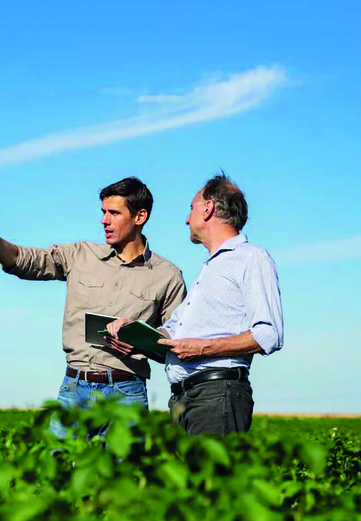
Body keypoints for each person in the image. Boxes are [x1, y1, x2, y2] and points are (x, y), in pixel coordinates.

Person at [0, 177, 186, 436]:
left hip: (127, 394)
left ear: (140, 216)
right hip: (75, 389)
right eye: (103, 212)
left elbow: (178, 342)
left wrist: (141, 342)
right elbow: (22, 260)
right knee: (56, 472)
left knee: (124, 476)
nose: (104, 220)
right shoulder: (79, 255)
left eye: (114, 213)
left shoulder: (168, 275)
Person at [109, 172, 283, 436]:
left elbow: (270, 334)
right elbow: (173, 334)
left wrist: (203, 348)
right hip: (185, 399)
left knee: (211, 478)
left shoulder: (251, 258)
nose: (187, 218)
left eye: (191, 208)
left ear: (208, 208)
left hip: (217, 395)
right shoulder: (210, 269)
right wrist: (135, 333)